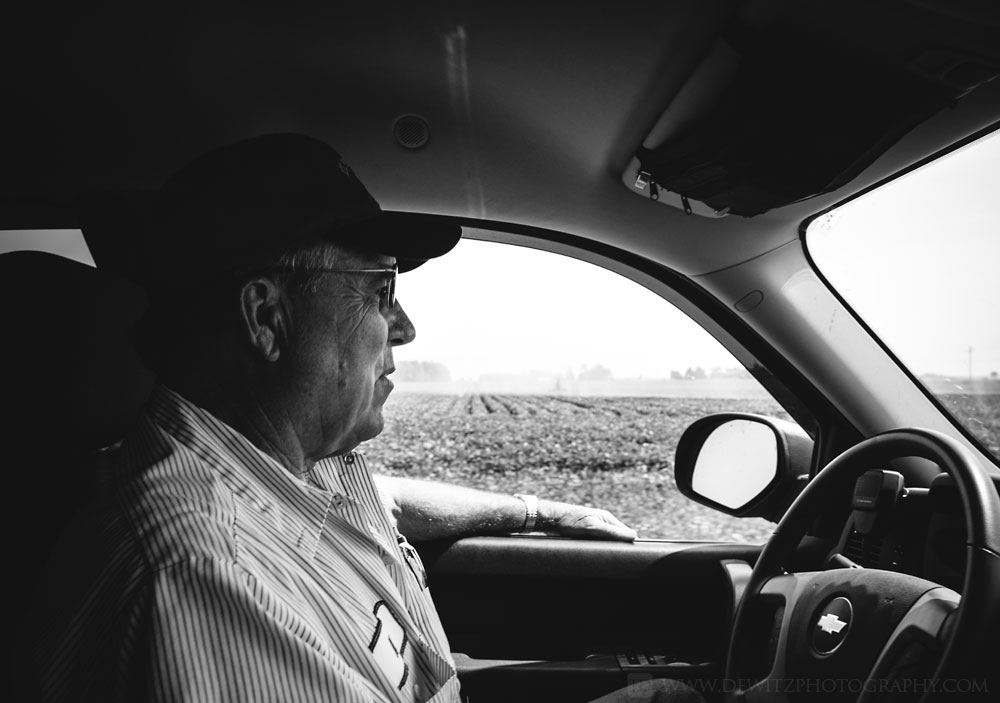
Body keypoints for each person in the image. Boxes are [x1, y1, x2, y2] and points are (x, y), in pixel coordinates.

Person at [21, 134, 699, 703]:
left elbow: (391, 501)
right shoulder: (208, 576)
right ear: (267, 317)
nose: (403, 326)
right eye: (380, 289)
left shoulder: (292, 461)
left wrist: (531, 509)